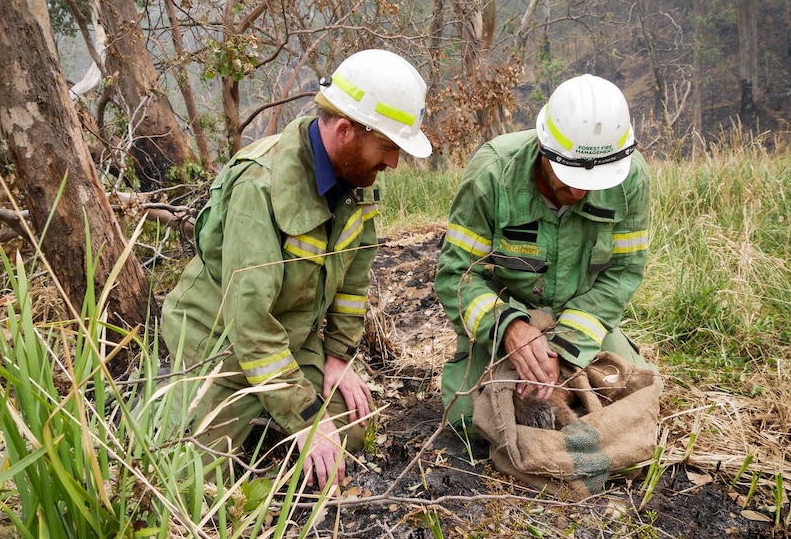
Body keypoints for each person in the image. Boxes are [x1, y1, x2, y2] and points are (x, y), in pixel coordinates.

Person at [161, 49, 432, 490]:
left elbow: (354, 280)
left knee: (354, 431)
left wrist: (337, 357)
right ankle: (186, 406)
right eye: (387, 148)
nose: (393, 163)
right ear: (345, 131)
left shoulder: (357, 182)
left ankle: (271, 423)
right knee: (192, 484)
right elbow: (247, 321)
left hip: (291, 338)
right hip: (219, 344)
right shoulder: (261, 185)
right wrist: (305, 418)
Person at [435, 73, 657, 434]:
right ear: (542, 145)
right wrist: (509, 328)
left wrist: (564, 352)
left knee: (637, 398)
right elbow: (456, 276)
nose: (579, 191)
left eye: (592, 182)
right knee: (468, 420)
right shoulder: (493, 173)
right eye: (568, 175)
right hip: (505, 314)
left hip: (583, 318)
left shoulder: (631, 180)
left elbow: (622, 274)